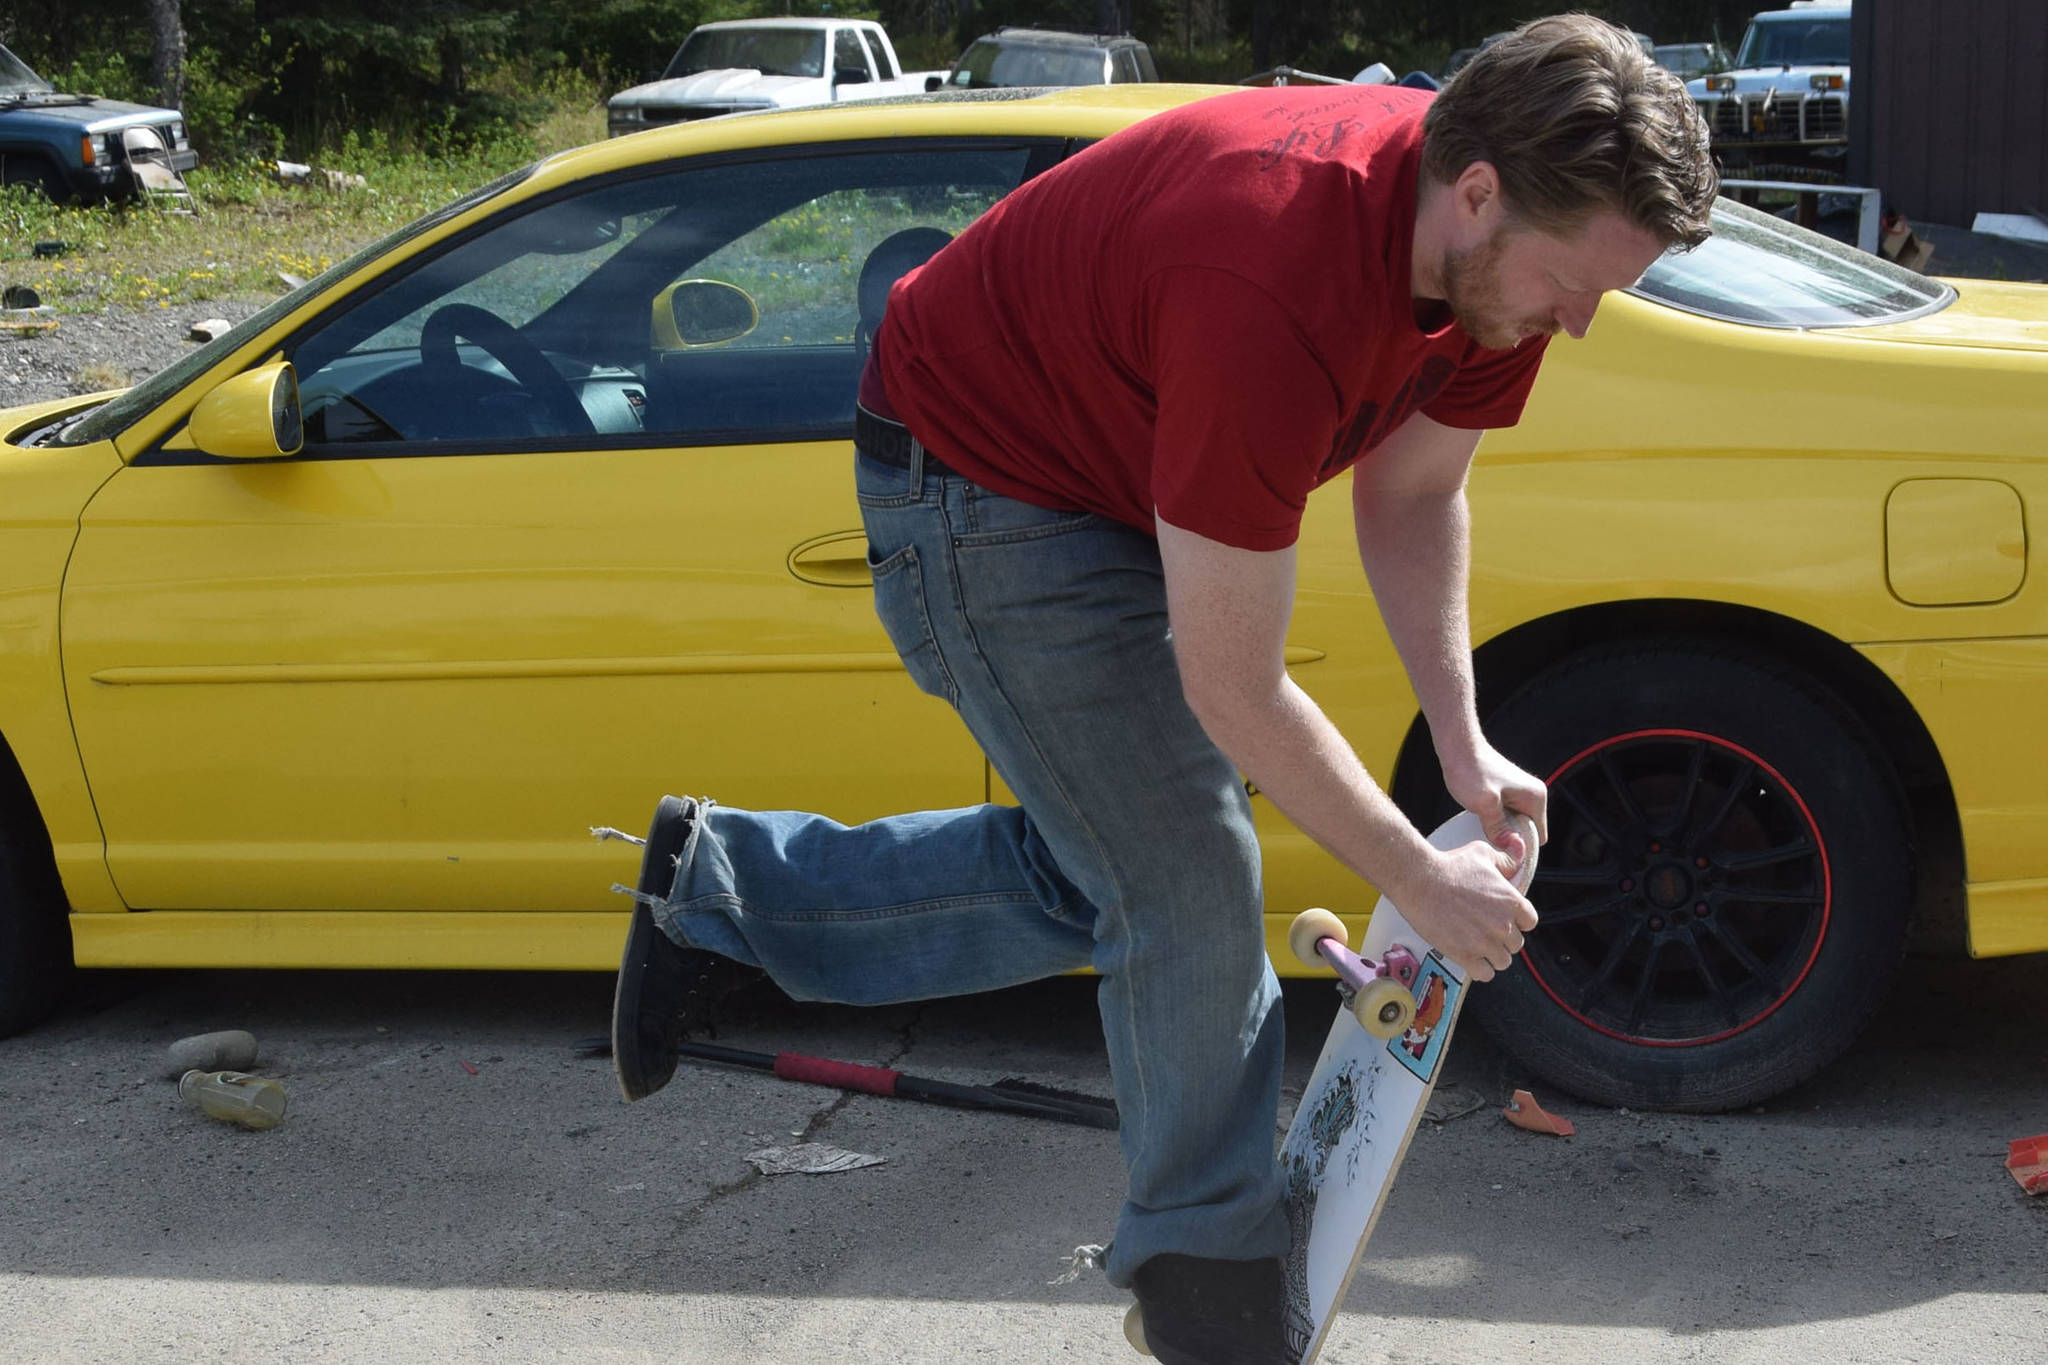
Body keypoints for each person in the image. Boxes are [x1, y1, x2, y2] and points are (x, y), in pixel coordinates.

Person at [609, 15, 1715, 1364]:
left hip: (1115, 470)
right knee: (1183, 867)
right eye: (1573, 283)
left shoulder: (1489, 261)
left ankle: (721, 899)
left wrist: (1463, 740)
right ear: (1476, 189)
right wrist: (1416, 882)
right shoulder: (1272, 274)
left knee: (1113, 858)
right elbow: (1236, 690)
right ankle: (1205, 1268)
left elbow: (1416, 492)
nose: (1581, 322)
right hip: (977, 484)